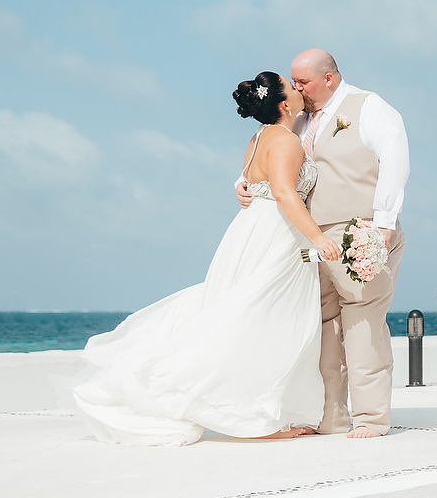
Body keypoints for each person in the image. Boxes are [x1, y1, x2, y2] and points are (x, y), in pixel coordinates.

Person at [73, 73, 342, 446]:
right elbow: (283, 192)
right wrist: (318, 237)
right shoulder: (286, 140)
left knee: (250, 312)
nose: (299, 91)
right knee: (269, 318)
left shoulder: (258, 138)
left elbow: (253, 181)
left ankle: (261, 410)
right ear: (284, 105)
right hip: (277, 235)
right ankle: (257, 416)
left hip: (250, 230)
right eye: (292, 87)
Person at [237, 49, 409, 438]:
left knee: (363, 324)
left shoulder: (370, 107)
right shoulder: (292, 121)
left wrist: (381, 224)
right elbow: (269, 168)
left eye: (303, 82)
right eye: (293, 82)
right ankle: (331, 417)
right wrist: (242, 186)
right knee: (323, 329)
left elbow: (395, 161)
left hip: (357, 231)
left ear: (328, 78)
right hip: (305, 239)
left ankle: (370, 418)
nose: (297, 88)